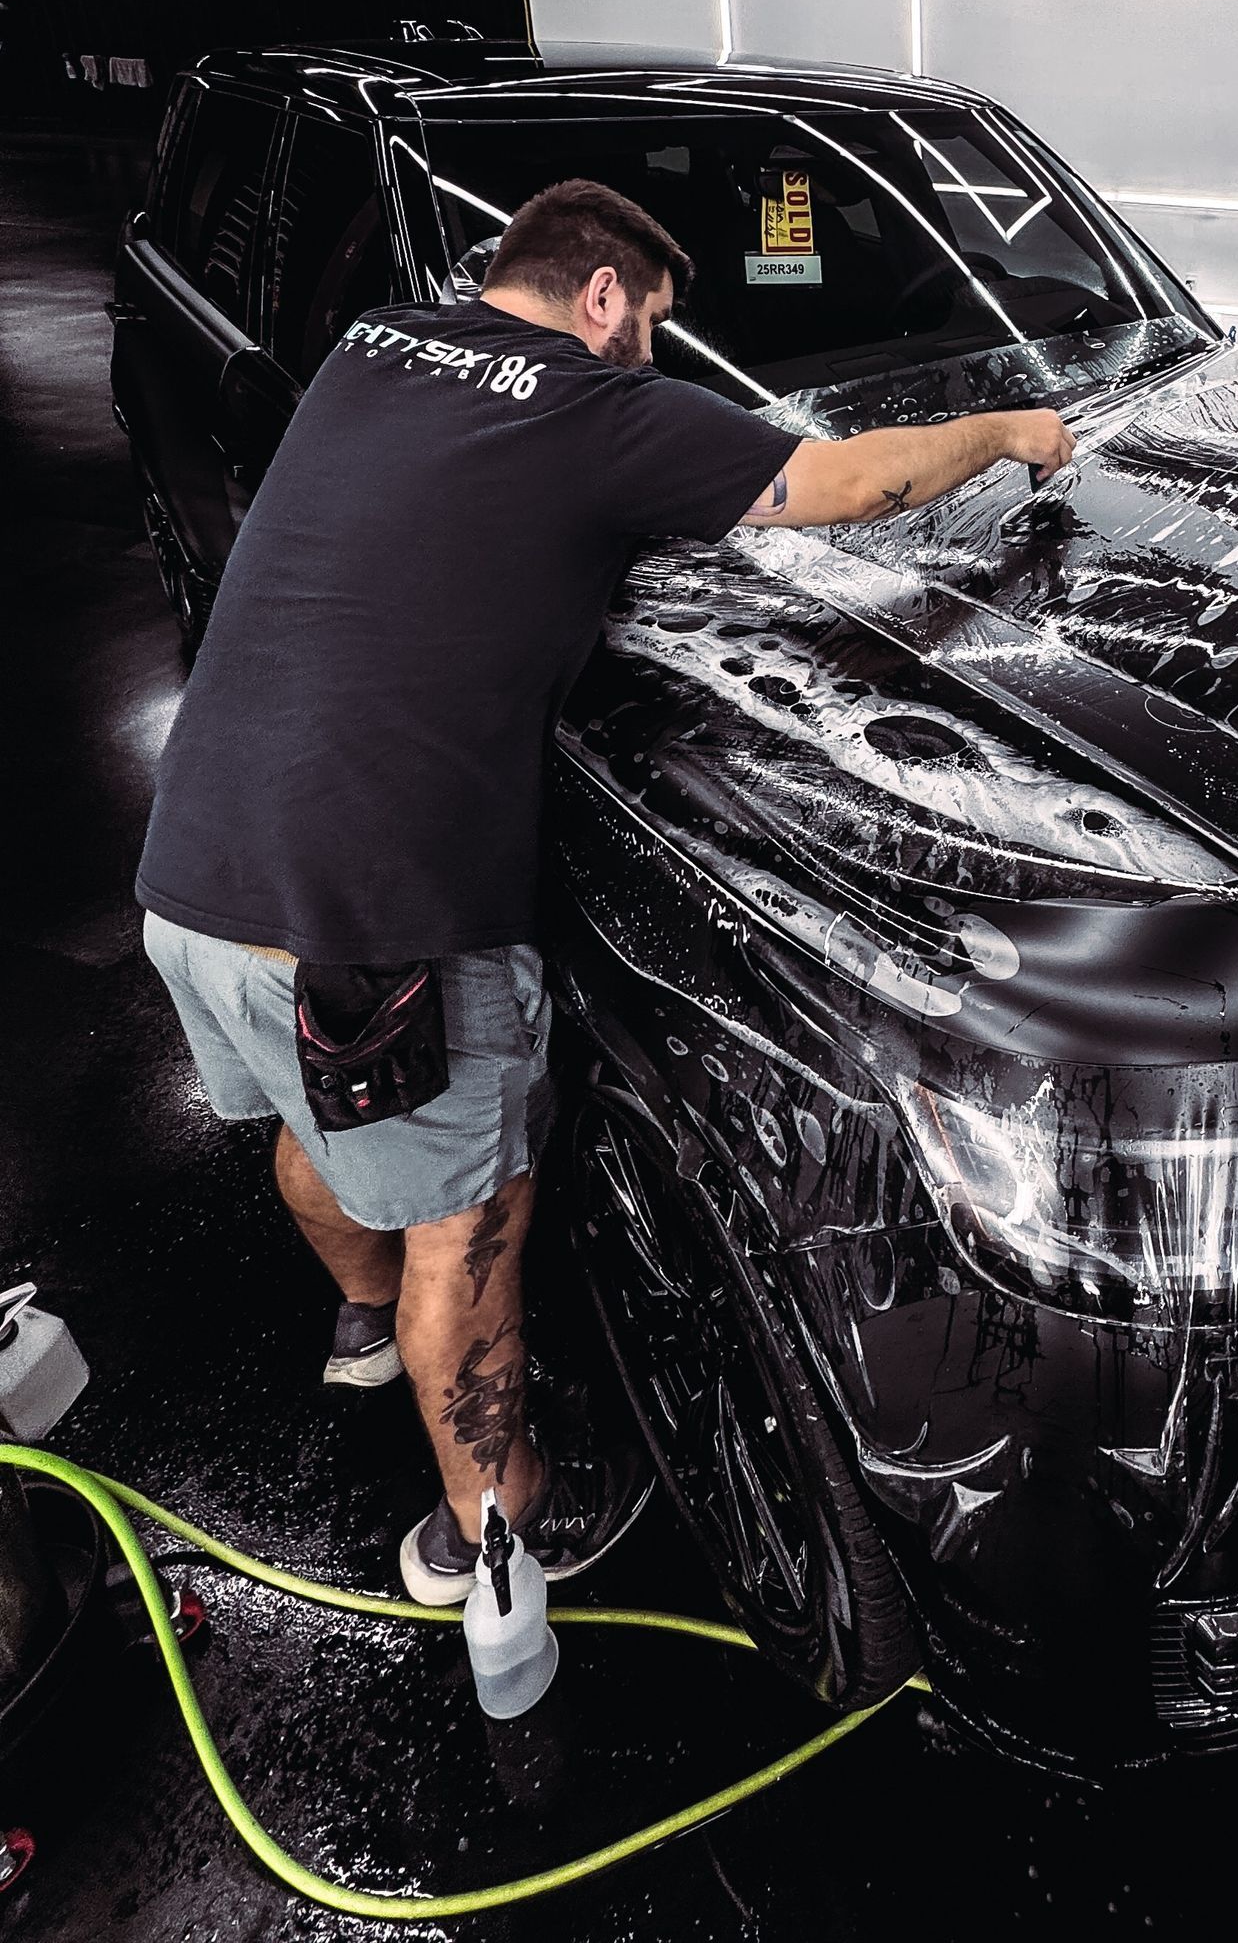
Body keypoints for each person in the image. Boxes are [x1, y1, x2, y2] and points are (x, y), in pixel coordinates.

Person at [136, 177, 1074, 1604]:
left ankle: (360, 1326)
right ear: (601, 296)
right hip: (377, 930)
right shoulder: (596, 407)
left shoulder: (378, 345)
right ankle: (488, 1530)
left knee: (308, 1128)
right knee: (471, 1228)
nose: (655, 354)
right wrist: (1013, 430)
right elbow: (843, 484)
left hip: (195, 870)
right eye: (654, 325)